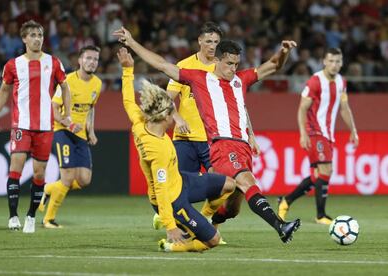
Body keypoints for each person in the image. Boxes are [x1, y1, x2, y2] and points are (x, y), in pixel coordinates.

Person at [113, 27, 301, 243]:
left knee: (232, 208)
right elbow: (162, 65)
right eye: (229, 64)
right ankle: (280, 226)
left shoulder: (242, 79)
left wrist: (284, 51)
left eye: (236, 64)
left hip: (243, 147)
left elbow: (274, 65)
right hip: (223, 145)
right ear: (218, 60)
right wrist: (133, 43)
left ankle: (205, 227)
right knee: (249, 183)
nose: (233, 69)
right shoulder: (199, 79)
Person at [117, 47, 237, 252]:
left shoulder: (140, 123)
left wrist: (127, 70)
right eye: (172, 111)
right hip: (173, 200)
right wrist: (170, 226)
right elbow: (161, 191)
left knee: (229, 184)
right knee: (213, 241)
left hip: (181, 181)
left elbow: (128, 101)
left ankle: (204, 217)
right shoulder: (158, 150)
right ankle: (171, 246)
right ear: (165, 117)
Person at [0, 20, 71, 233]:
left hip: (45, 126)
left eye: (40, 35)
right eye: (32, 35)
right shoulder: (13, 65)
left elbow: (65, 87)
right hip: (21, 125)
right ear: (24, 39)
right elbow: (4, 91)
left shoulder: (53, 62)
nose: (37, 38)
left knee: (39, 174)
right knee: (15, 168)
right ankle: (13, 216)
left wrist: (67, 113)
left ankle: (31, 216)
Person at [152, 22, 222, 231]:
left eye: (216, 42)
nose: (212, 46)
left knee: (221, 184)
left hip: (213, 139)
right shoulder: (184, 66)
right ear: (199, 40)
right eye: (208, 41)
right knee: (180, 189)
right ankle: (174, 223)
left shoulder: (221, 67)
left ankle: (207, 222)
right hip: (185, 140)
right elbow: (166, 97)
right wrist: (177, 117)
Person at [278, 48, 359, 225]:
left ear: (342, 63)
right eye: (331, 61)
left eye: (338, 61)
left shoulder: (341, 82)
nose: (334, 65)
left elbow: (344, 108)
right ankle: (320, 215)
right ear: (324, 61)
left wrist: (353, 130)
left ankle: (286, 200)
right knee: (326, 170)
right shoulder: (315, 81)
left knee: (318, 175)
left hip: (328, 134)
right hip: (315, 131)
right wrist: (303, 133)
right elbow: (302, 108)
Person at [38, 45, 102, 228]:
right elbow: (54, 110)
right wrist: (70, 124)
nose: (92, 62)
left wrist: (91, 131)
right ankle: (48, 219)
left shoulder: (97, 83)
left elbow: (91, 108)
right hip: (63, 131)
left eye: (95, 59)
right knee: (67, 178)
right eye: (88, 58)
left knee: (84, 180)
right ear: (80, 61)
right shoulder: (67, 82)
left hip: (81, 135)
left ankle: (48, 189)